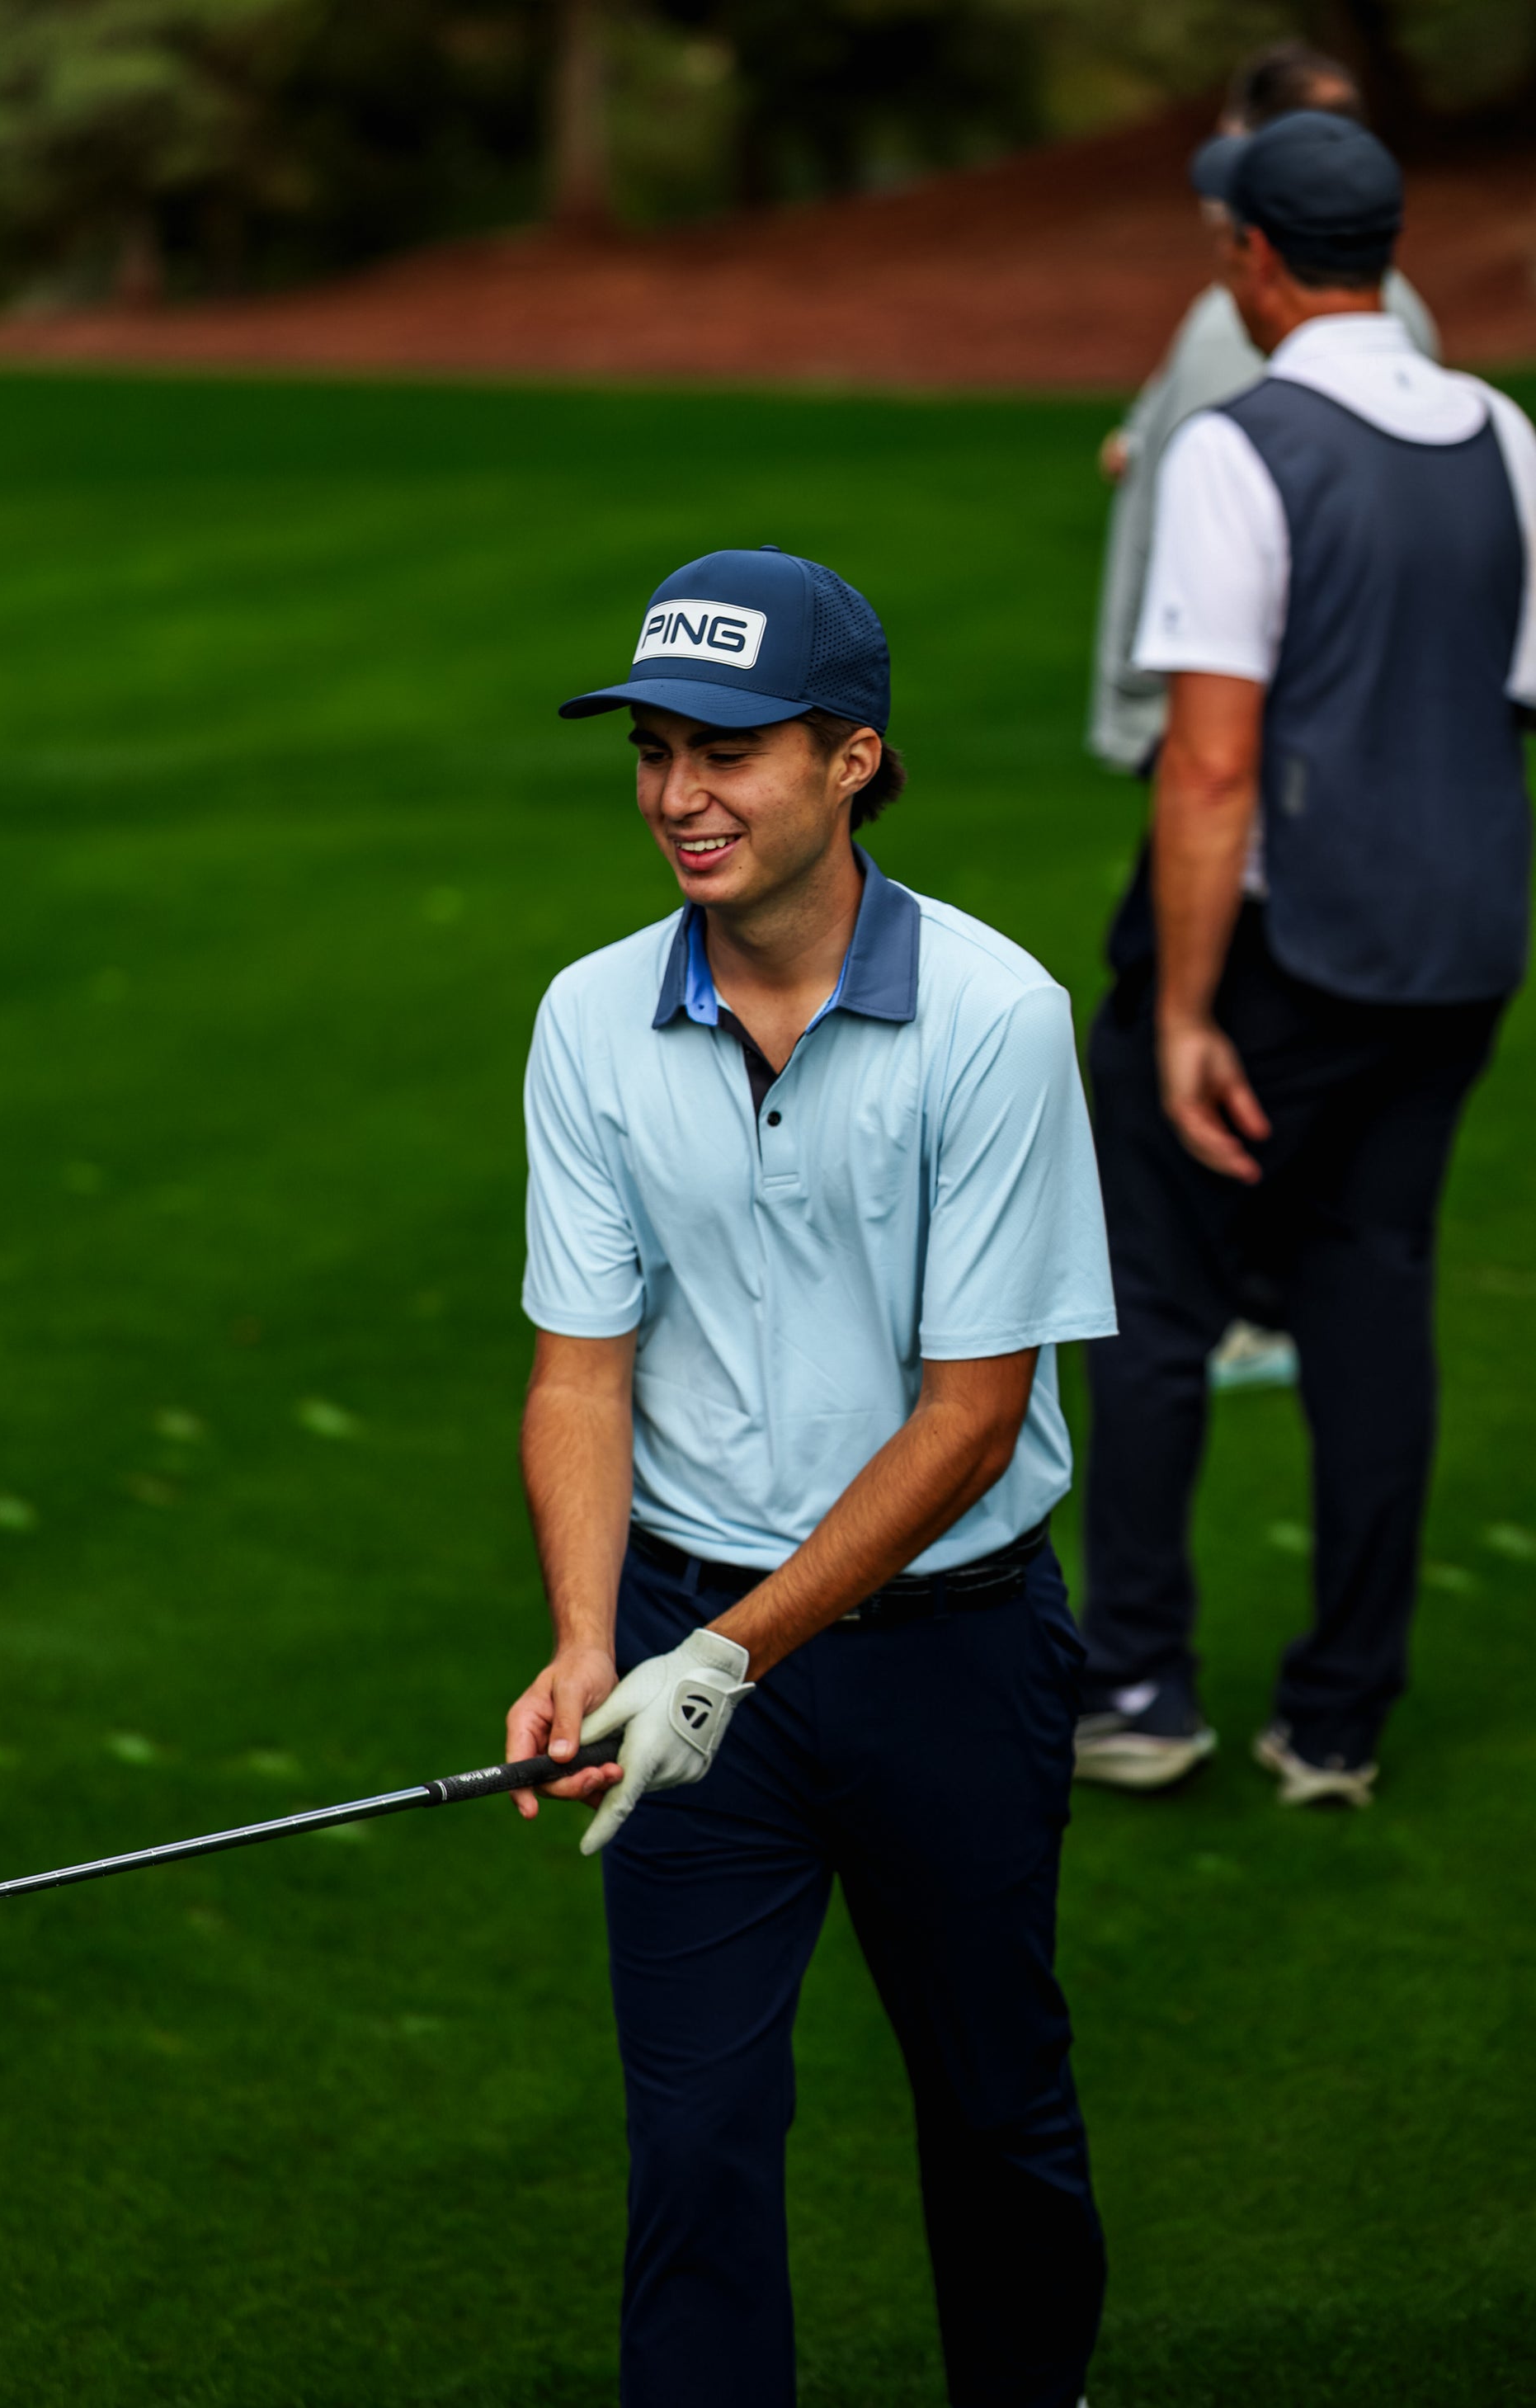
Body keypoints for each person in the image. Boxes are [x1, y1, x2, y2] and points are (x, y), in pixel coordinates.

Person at [504, 544, 1116, 2408]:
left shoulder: (997, 1020)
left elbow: (973, 1417)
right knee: (692, 2145)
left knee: (993, 2109)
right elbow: (579, 1370)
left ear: (853, 758)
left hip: (951, 1651)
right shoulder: (592, 1018)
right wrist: (594, 1639)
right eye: (655, 752)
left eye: (731, 752)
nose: (680, 797)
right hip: (693, 1652)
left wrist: (731, 1657)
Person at [1073, 112, 1536, 1806]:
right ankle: (1337, 1713)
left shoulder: (1235, 444)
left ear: (1254, 260)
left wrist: (1188, 1008)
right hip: (1461, 945)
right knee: (1370, 1291)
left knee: (1151, 1292)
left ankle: (1133, 1682)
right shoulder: (1505, 432)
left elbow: (1208, 763)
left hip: (1283, 950)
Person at [1088, 41, 1439, 778]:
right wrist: (1146, 430)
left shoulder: (1251, 318)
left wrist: (1147, 693)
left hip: (1238, 728)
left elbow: (1221, 534)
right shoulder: (1396, 312)